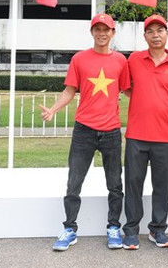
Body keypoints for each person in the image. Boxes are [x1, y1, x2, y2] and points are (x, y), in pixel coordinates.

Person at [40, 13, 130, 252]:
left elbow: (130, 91)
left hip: (111, 130)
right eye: (97, 29)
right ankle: (69, 229)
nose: (102, 33)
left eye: (106, 29)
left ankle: (113, 227)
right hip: (84, 130)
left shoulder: (121, 61)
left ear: (113, 33)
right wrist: (54, 109)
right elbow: (70, 90)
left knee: (115, 184)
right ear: (92, 32)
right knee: (74, 182)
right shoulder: (79, 59)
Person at [121, 14, 168, 250]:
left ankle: (158, 229)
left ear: (167, 34)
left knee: (162, 185)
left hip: (166, 136)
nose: (156, 35)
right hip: (137, 134)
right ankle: (131, 230)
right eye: (151, 31)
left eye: (160, 30)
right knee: (133, 184)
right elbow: (127, 89)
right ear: (144, 36)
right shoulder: (134, 60)